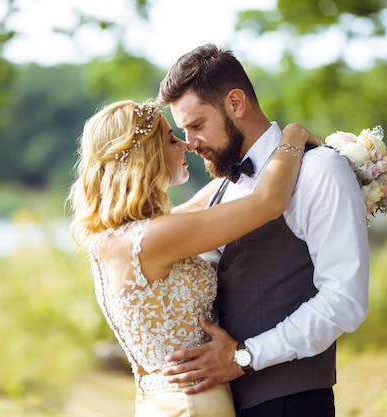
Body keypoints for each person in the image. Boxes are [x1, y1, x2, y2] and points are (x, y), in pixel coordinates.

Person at [68, 99, 320, 417]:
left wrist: (259, 151)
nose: (185, 144)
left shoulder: (115, 237)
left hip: (159, 401)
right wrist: (293, 136)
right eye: (172, 139)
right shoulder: (154, 237)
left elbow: (206, 203)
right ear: (148, 157)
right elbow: (267, 202)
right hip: (194, 402)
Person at [157, 44, 370, 417]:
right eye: (183, 131)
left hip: (291, 403)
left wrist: (245, 356)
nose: (190, 144)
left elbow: (345, 299)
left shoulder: (319, 171)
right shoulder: (222, 186)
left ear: (235, 103)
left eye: (196, 125)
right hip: (220, 405)